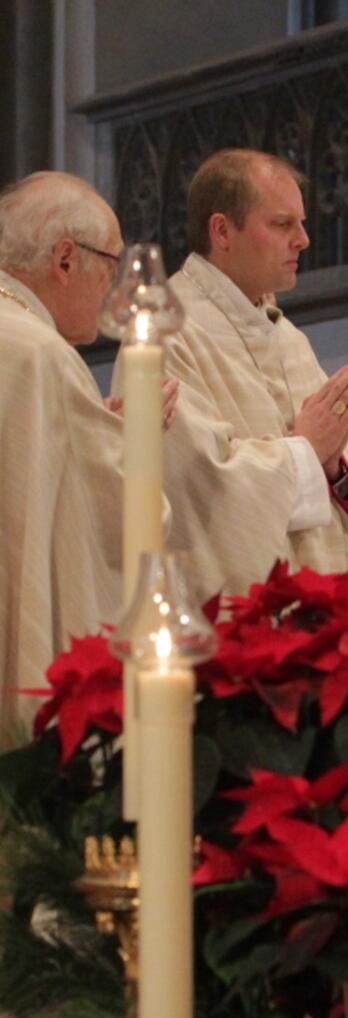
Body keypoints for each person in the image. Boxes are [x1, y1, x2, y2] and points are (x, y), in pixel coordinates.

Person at [163, 147, 348, 601]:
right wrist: (306, 453)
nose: (303, 239)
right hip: (235, 612)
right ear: (222, 230)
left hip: (318, 600)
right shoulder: (166, 330)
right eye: (283, 224)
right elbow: (195, 482)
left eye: (301, 223)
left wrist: (332, 464)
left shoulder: (288, 338)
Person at [0, 173, 172, 738]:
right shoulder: (38, 354)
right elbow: (119, 515)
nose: (112, 291)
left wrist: (100, 431)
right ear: (66, 260)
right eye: (110, 264)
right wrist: (139, 440)